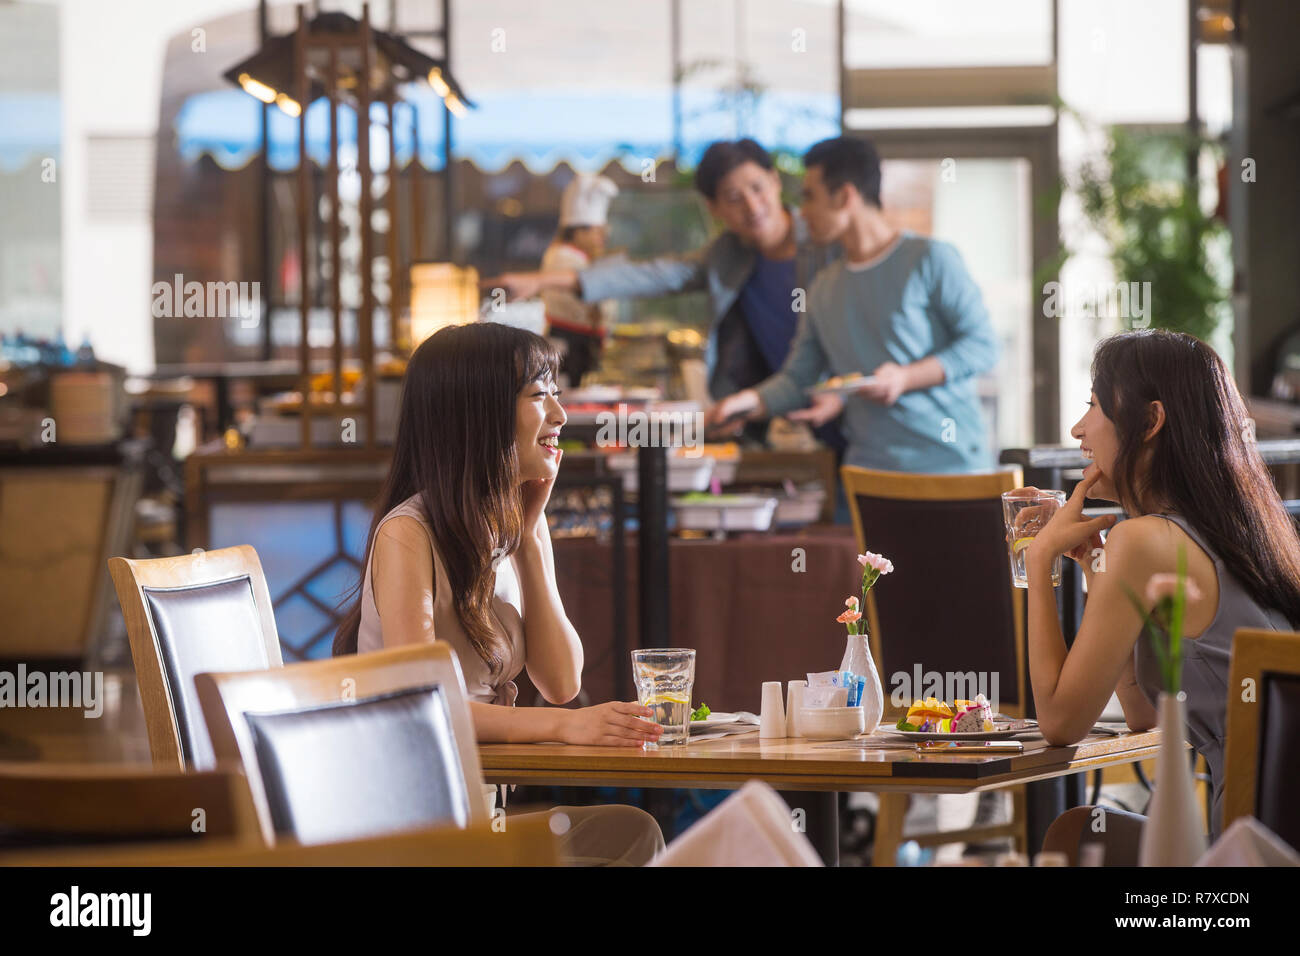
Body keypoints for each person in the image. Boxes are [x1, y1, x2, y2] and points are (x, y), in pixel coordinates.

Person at [333, 322, 665, 865]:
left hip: (476, 807)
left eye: (556, 393)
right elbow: (428, 704)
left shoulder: (511, 525)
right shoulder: (408, 533)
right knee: (629, 838)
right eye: (540, 395)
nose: (560, 415)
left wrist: (532, 538)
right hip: (410, 826)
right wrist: (568, 726)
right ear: (477, 413)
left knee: (633, 832)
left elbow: (561, 682)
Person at [1017, 328, 1300, 840]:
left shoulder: (1144, 541)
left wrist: (1039, 564)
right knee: (1084, 830)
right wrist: (1099, 578)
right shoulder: (1242, 531)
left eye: (1095, 405)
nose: (1078, 429)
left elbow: (1059, 724)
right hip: (1273, 834)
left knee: (1075, 837)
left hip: (1250, 846)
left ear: (1150, 422)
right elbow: (1145, 712)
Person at [486, 138, 844, 450]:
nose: (752, 206)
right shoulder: (727, 255)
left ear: (776, 181)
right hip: (773, 415)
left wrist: (841, 392)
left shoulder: (827, 241)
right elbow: (652, 275)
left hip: (846, 403)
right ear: (714, 209)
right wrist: (543, 280)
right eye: (734, 198)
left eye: (757, 188)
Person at [706, 136, 999, 474]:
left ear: (845, 196)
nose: (802, 211)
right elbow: (797, 379)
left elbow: (983, 346)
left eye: (809, 196)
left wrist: (904, 378)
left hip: (954, 469)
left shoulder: (931, 259)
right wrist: (742, 403)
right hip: (868, 476)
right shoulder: (823, 288)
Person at [540, 174, 619, 386]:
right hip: (567, 346)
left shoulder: (580, 258)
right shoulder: (563, 257)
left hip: (584, 346)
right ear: (578, 232)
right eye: (596, 232)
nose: (601, 238)